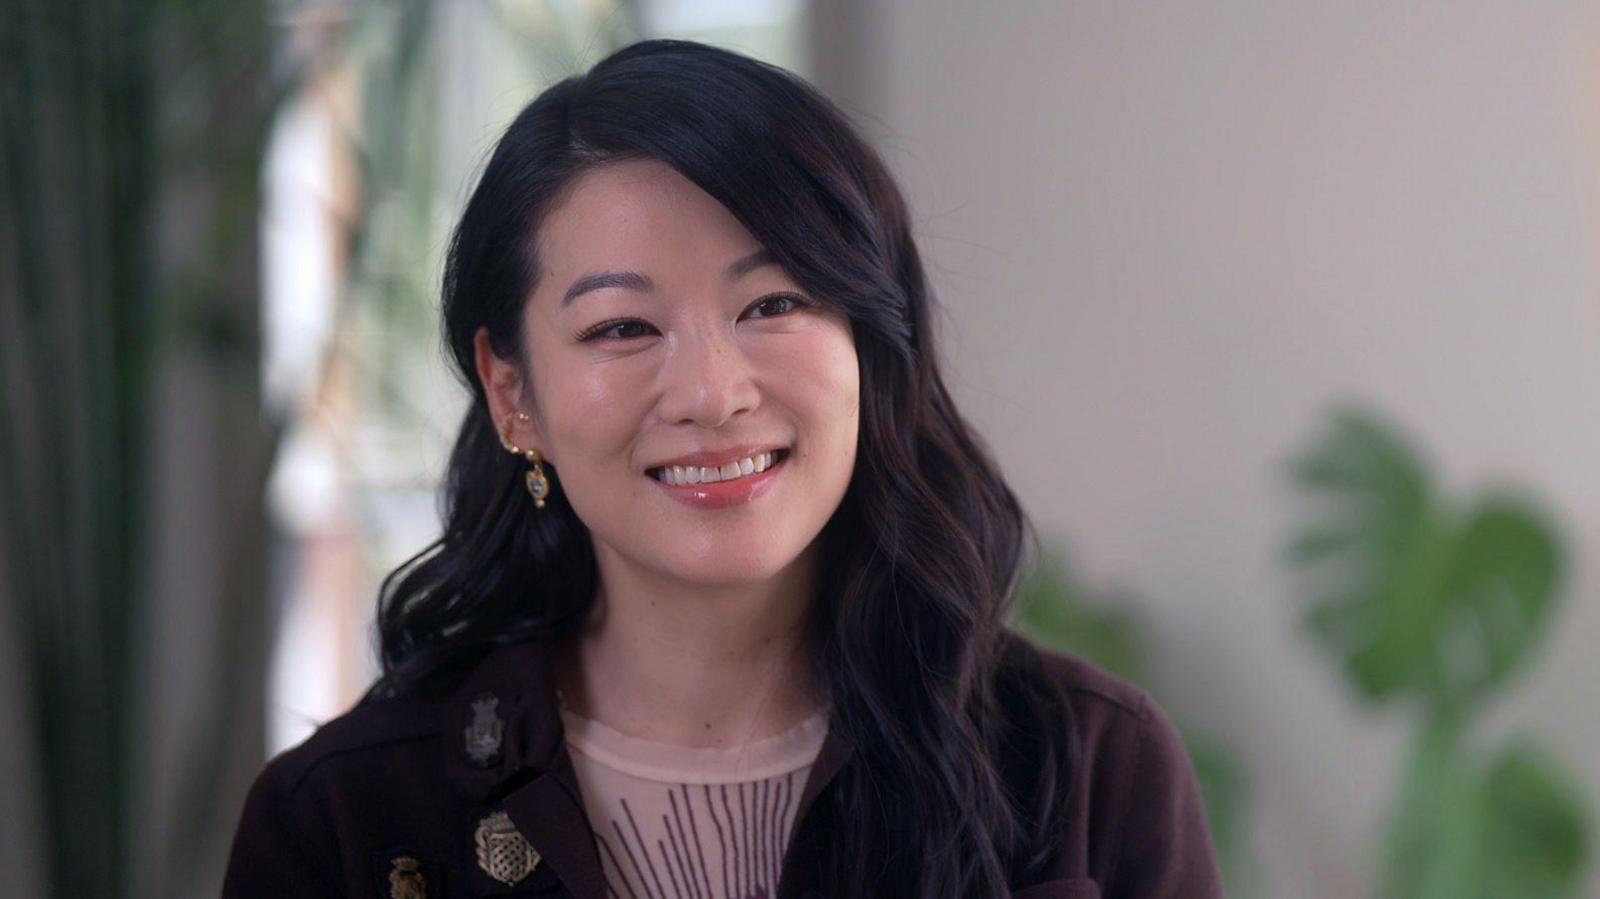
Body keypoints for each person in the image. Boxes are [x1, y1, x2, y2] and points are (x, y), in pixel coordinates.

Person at [223, 39, 1222, 899]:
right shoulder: (346, 819)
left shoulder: (1086, 766)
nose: (711, 390)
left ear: (871, 342)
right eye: (621, 326)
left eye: (773, 304)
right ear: (512, 391)